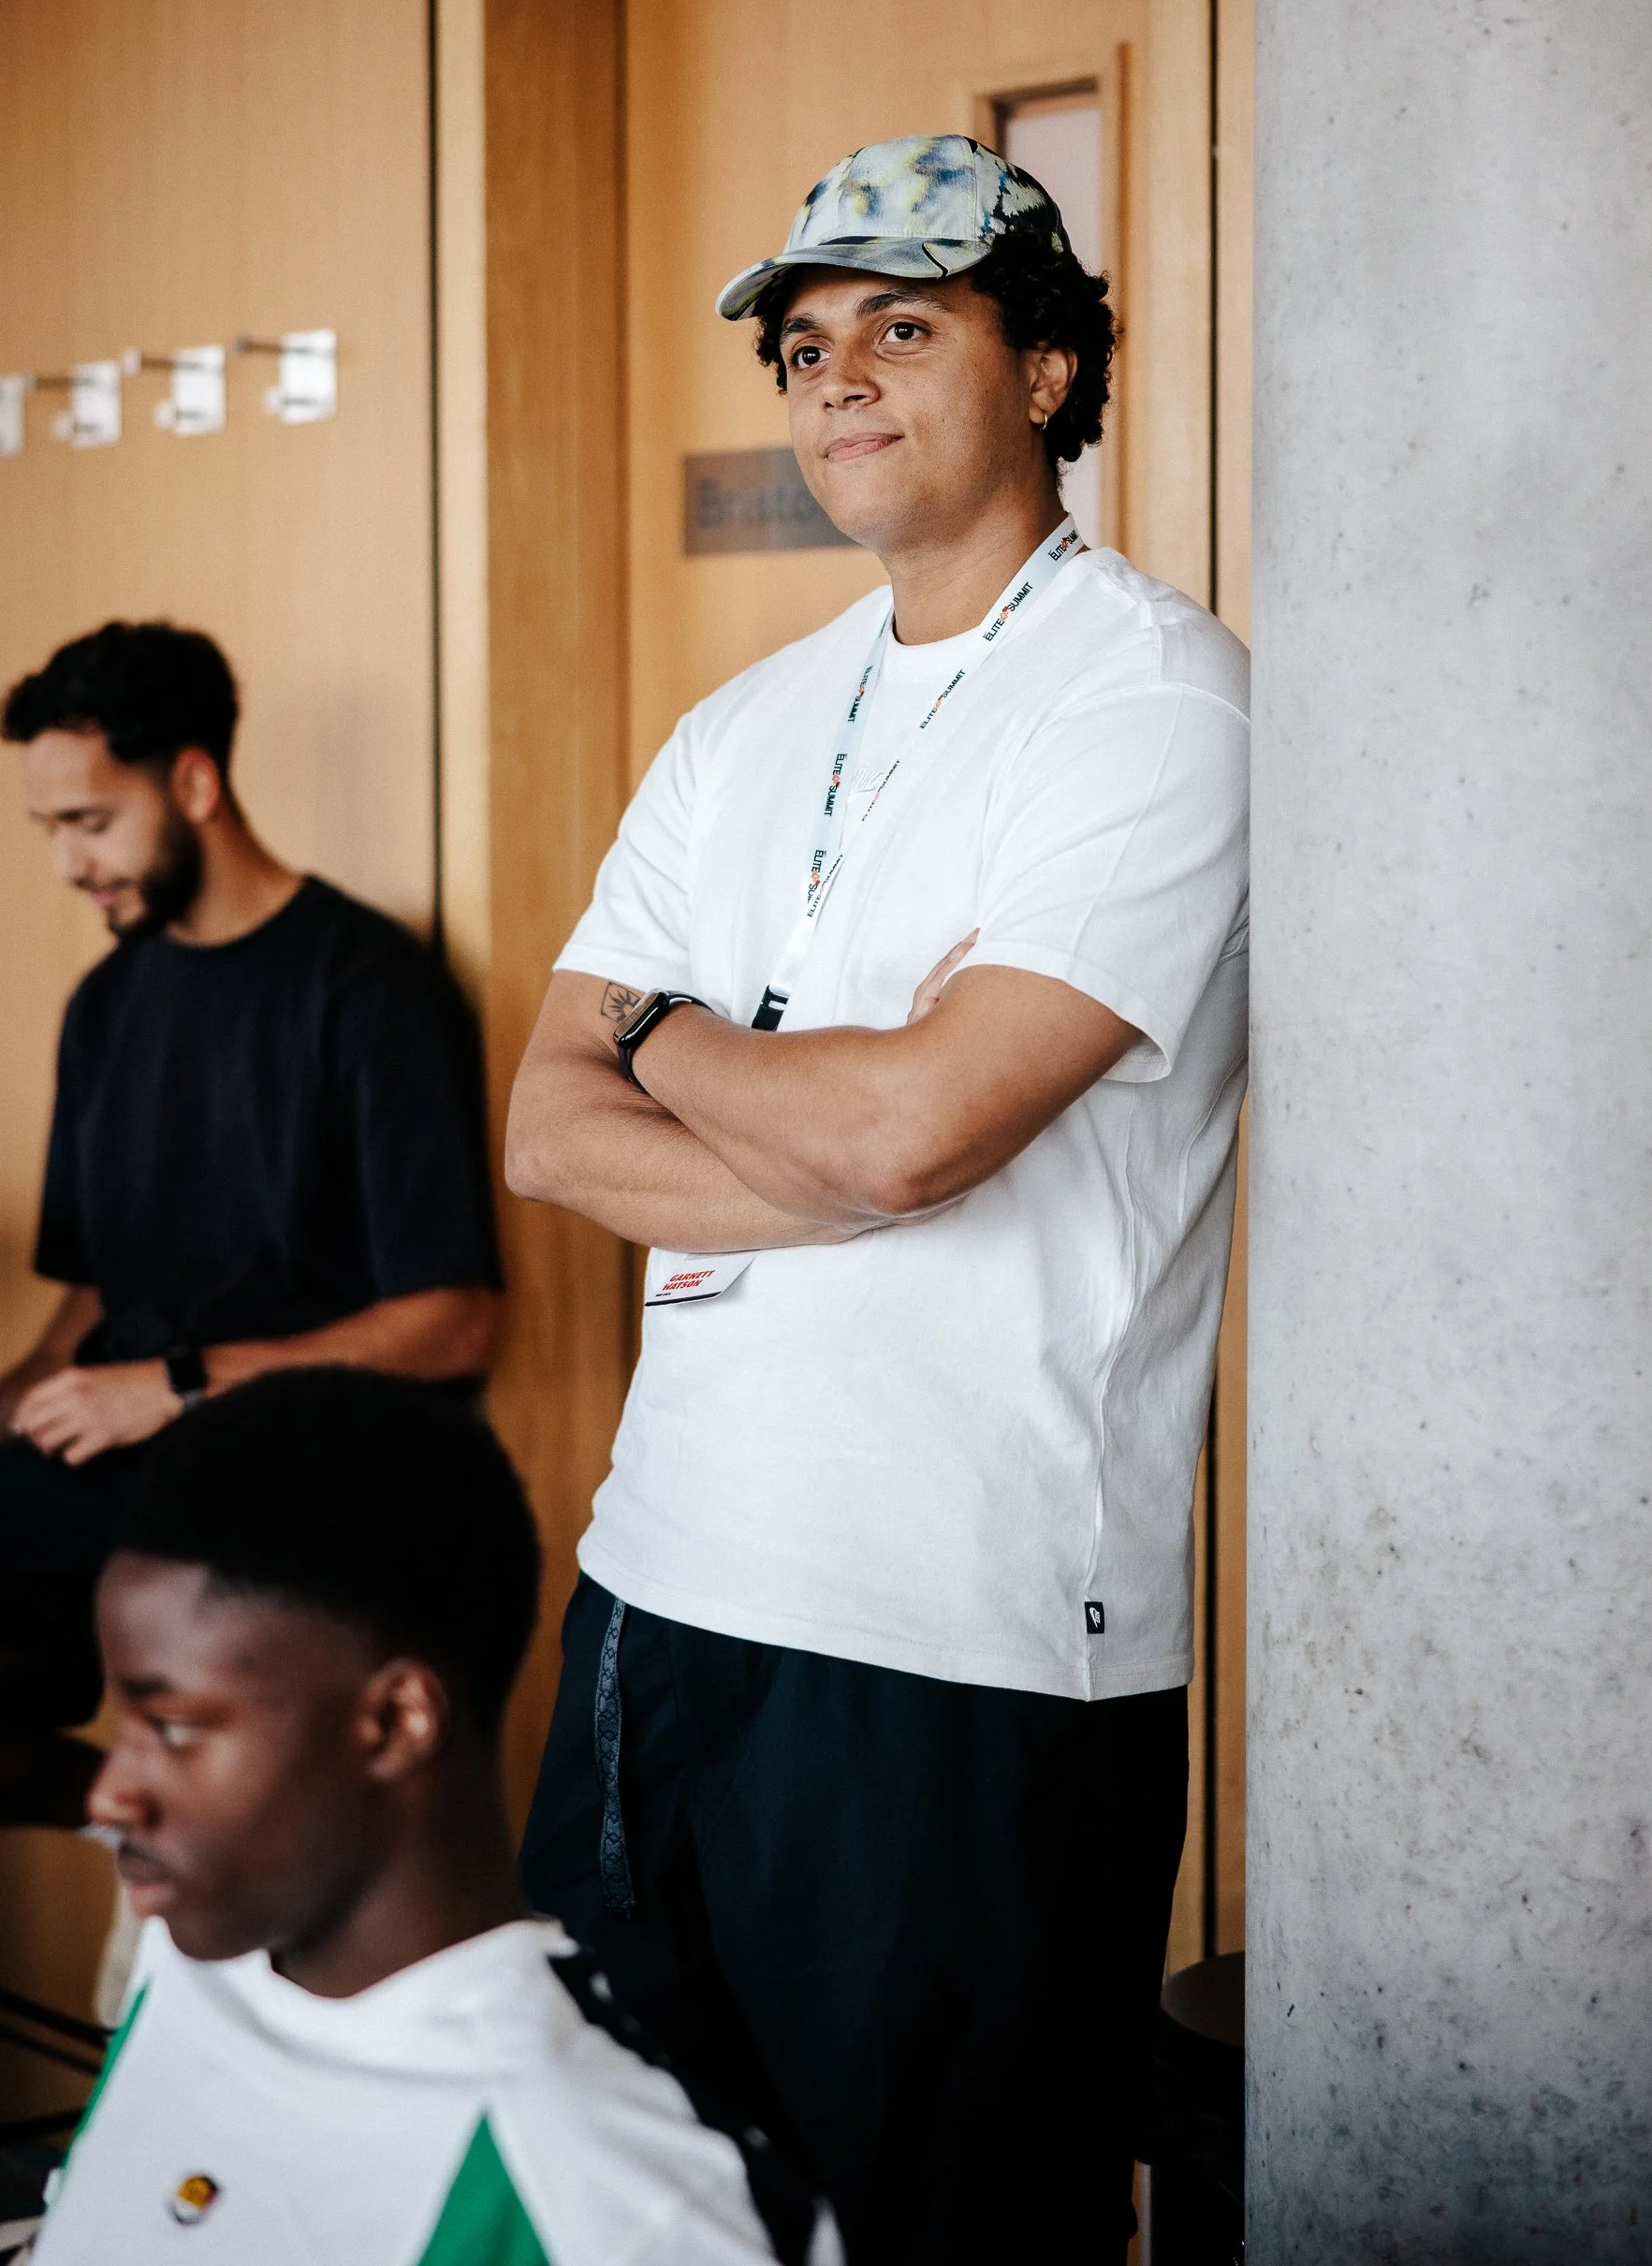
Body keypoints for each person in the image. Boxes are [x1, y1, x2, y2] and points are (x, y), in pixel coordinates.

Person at [505, 134, 1251, 2261]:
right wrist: (788, 1104)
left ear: (1045, 369)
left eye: (903, 325)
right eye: (804, 344)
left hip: (966, 1643)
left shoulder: (1155, 699)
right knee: (632, 2213)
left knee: (952, 2230)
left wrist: (670, 1034)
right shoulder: (733, 727)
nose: (837, 378)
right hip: (654, 1596)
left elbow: (907, 1131)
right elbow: (542, 1129)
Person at [32, 1369, 831, 2264]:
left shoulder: (625, 2197)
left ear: (396, 1722)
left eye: (173, 1727)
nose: (109, 1794)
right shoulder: (186, 1957)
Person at [0, 622, 503, 1811]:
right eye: (50, 833)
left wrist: (172, 1384)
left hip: (287, 1475)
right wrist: (22, 1392)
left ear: (192, 781)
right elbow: (98, 1289)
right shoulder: (107, 1001)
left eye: (90, 824)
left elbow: (455, 1322)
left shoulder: (368, 989)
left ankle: (193, 1843)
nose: (71, 865)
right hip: (112, 1453)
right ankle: (143, 1832)